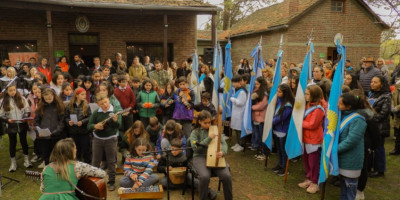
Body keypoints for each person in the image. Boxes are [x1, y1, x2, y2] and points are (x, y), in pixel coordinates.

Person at [39, 138, 105, 200]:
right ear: (69, 151)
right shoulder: (78, 166)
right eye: (75, 148)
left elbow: (42, 189)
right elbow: (102, 173)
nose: (76, 150)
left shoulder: (46, 168)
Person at [189, 110, 232, 200]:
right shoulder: (195, 132)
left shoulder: (215, 129)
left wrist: (223, 152)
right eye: (205, 123)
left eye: (209, 122)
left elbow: (224, 144)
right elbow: (195, 148)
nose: (208, 125)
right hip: (200, 156)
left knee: (226, 176)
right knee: (204, 176)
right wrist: (209, 138)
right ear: (199, 121)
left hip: (215, 157)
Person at [88, 93, 122, 191]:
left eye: (106, 102)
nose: (105, 105)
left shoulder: (115, 111)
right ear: (98, 104)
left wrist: (115, 121)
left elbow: (119, 126)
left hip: (111, 139)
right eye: (102, 103)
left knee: (111, 161)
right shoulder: (96, 112)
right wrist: (95, 126)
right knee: (95, 161)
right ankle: (95, 182)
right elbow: (89, 125)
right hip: (97, 139)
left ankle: (111, 182)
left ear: (108, 100)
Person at [337, 93, 367, 200]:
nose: (337, 105)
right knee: (344, 188)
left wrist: (335, 150)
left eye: (340, 103)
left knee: (350, 189)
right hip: (342, 158)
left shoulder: (358, 120)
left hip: (351, 160)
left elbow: (351, 141)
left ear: (348, 106)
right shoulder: (343, 115)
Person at [298, 85, 325, 194]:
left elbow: (312, 125)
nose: (305, 96)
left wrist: (300, 122)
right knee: (306, 160)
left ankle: (315, 182)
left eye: (307, 94)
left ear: (314, 95)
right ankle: (309, 178)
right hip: (305, 137)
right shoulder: (308, 105)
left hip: (314, 139)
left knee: (313, 162)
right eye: (305, 93)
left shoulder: (318, 109)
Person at [0, 84, 32, 172]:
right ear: (7, 91)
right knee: (12, 143)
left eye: (14, 90)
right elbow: (1, 115)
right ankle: (13, 162)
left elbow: (27, 110)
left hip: (21, 124)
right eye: (10, 90)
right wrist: (8, 120)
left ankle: (26, 159)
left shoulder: (22, 98)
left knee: (23, 141)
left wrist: (24, 118)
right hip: (11, 125)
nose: (12, 92)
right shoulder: (3, 101)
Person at [34, 88, 65, 166]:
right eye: (46, 98)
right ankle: (48, 171)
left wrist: (55, 133)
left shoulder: (59, 106)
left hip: (56, 136)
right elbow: (36, 121)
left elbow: (62, 122)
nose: (48, 100)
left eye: (50, 98)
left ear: (54, 96)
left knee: (57, 156)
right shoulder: (40, 107)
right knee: (46, 156)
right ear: (43, 98)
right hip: (44, 137)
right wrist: (38, 132)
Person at [368, 75, 391, 178]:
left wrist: (372, 118)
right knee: (372, 147)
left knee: (379, 147)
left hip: (380, 126)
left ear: (381, 84)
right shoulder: (371, 94)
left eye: (375, 82)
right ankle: (372, 166)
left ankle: (380, 169)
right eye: (372, 82)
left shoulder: (386, 96)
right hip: (372, 125)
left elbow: (384, 113)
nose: (372, 84)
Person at [271, 84, 294, 176]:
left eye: (279, 92)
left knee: (283, 149)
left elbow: (281, 117)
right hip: (277, 129)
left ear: (285, 93)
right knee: (279, 149)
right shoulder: (279, 101)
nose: (277, 93)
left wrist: (270, 122)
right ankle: (280, 164)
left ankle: (285, 168)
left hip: (283, 130)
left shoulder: (288, 105)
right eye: (277, 91)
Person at [64, 88, 92, 164]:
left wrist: (82, 122)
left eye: (85, 94)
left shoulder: (86, 105)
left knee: (86, 149)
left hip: (84, 132)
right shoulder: (69, 105)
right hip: (73, 131)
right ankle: (76, 164)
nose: (84, 96)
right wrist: (68, 122)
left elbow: (90, 117)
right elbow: (65, 117)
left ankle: (87, 164)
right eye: (82, 94)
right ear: (76, 95)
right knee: (76, 149)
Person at [251, 77, 268, 160]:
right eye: (255, 84)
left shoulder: (264, 93)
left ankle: (263, 152)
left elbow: (262, 105)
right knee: (257, 135)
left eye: (257, 84)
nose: (256, 85)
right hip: (255, 117)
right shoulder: (255, 91)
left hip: (261, 117)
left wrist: (252, 107)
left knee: (262, 136)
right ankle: (259, 149)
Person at [230, 75, 247, 152]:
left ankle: (242, 145)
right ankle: (238, 143)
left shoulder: (242, 91)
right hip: (236, 112)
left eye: (235, 82)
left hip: (240, 113)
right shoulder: (237, 90)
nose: (234, 84)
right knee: (236, 129)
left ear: (240, 82)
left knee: (239, 130)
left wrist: (233, 99)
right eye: (233, 82)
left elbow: (241, 102)